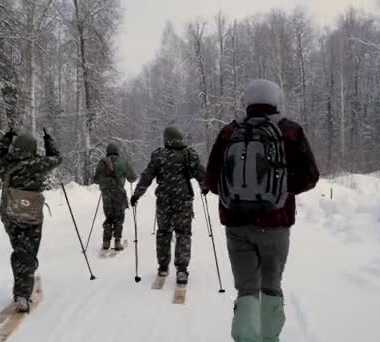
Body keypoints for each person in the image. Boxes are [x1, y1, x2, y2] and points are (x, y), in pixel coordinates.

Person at [203, 80, 319, 342]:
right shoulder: (290, 131)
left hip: (236, 226)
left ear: (248, 102)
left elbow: (211, 180)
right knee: (271, 286)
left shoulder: (229, 132)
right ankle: (270, 338)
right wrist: (280, 190)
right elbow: (311, 176)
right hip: (276, 225)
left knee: (246, 290)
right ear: (276, 101)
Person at [0, 128, 62, 312]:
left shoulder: (6, 163)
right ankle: (22, 293)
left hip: (10, 215)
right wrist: (49, 140)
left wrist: (6, 137)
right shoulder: (38, 163)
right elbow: (57, 158)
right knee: (28, 254)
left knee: (20, 250)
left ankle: (21, 288)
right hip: (32, 217)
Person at [130, 127, 205, 285]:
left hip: (164, 201)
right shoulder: (188, 154)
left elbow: (147, 176)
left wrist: (137, 194)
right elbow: (200, 172)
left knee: (163, 233)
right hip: (183, 201)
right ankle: (182, 270)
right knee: (183, 234)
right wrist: (205, 186)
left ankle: (163, 267)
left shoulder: (159, 155)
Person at [92, 143, 137, 251]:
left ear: (107, 151)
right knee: (119, 217)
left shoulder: (102, 162)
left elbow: (96, 180)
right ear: (117, 151)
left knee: (109, 217)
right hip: (119, 193)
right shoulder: (123, 162)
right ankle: (117, 242)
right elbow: (132, 178)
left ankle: (106, 242)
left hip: (106, 193)